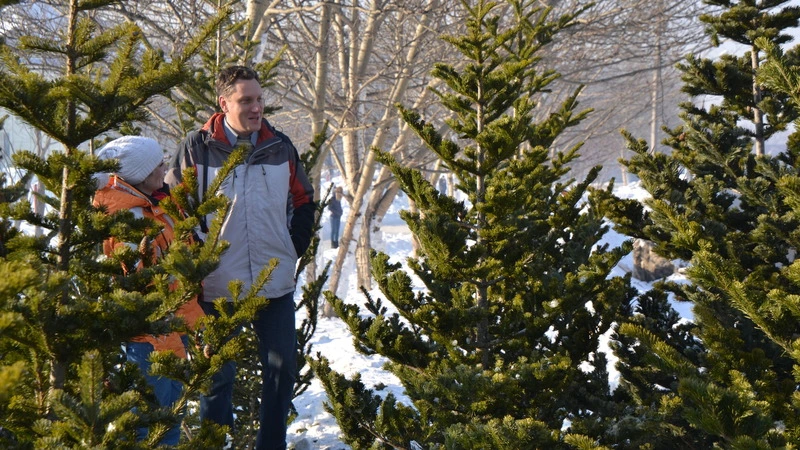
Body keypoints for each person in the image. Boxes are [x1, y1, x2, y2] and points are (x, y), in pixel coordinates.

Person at [165, 65, 315, 450]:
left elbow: (303, 199)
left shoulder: (280, 147)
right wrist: (197, 260)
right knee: (218, 377)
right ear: (224, 103)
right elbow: (175, 208)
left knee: (283, 371)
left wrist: (292, 246)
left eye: (259, 99)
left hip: (273, 281)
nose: (256, 107)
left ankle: (271, 445)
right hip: (216, 283)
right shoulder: (196, 148)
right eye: (246, 100)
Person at [94, 135, 204, 445]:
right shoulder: (129, 218)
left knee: (169, 416)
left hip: (171, 326)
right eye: (159, 164)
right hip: (148, 337)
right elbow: (136, 283)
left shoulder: (153, 205)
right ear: (141, 174)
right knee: (153, 424)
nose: (165, 168)